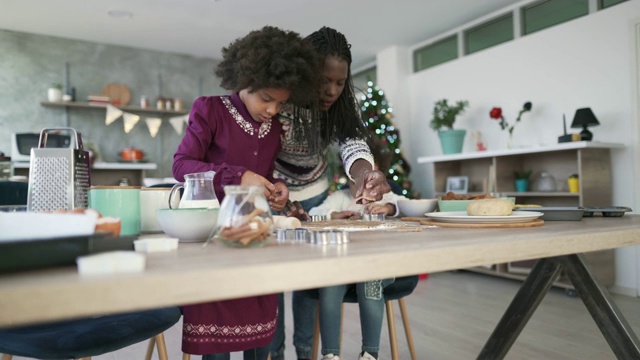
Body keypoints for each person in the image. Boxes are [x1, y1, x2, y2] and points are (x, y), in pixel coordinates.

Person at [172, 26, 322, 360]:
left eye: (280, 103)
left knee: (260, 334)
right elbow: (181, 165)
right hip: (212, 236)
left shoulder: (273, 131)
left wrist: (275, 191)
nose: (271, 110)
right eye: (266, 99)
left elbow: (263, 179)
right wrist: (239, 176)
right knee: (217, 337)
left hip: (255, 236)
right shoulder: (208, 109)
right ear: (243, 80)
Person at [270, 27, 391, 360]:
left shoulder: (339, 109)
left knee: (311, 285)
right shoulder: (279, 97)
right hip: (272, 199)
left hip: (315, 198)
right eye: (325, 80)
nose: (332, 90)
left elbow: (353, 147)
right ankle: (274, 354)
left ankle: (306, 353)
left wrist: (369, 175)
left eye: (340, 82)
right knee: (271, 285)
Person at [308, 179, 406, 360]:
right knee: (329, 284)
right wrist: (333, 214)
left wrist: (389, 208)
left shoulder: (387, 198)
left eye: (371, 183)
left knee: (370, 282)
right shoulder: (341, 197)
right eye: (358, 182)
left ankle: (370, 353)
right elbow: (314, 212)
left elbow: (406, 205)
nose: (365, 188)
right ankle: (330, 354)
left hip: (378, 265)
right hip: (344, 266)